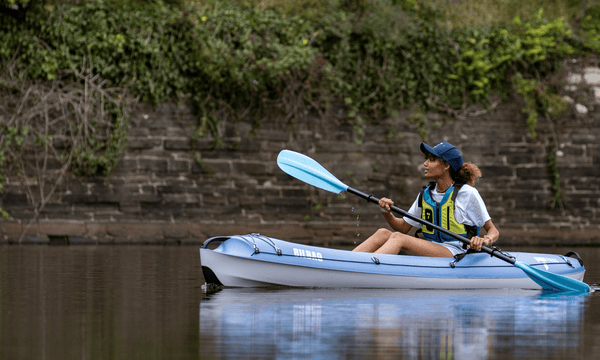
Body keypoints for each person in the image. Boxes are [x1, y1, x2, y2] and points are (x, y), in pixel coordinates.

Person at [353, 141, 499, 257]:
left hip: (456, 251)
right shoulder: (426, 194)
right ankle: (348, 262)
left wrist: (485, 240)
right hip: (432, 247)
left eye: (432, 159)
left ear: (446, 165)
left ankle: (367, 268)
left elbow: (492, 230)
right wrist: (386, 212)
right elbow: (403, 227)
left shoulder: (468, 193)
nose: (425, 163)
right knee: (382, 233)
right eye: (427, 159)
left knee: (398, 238)